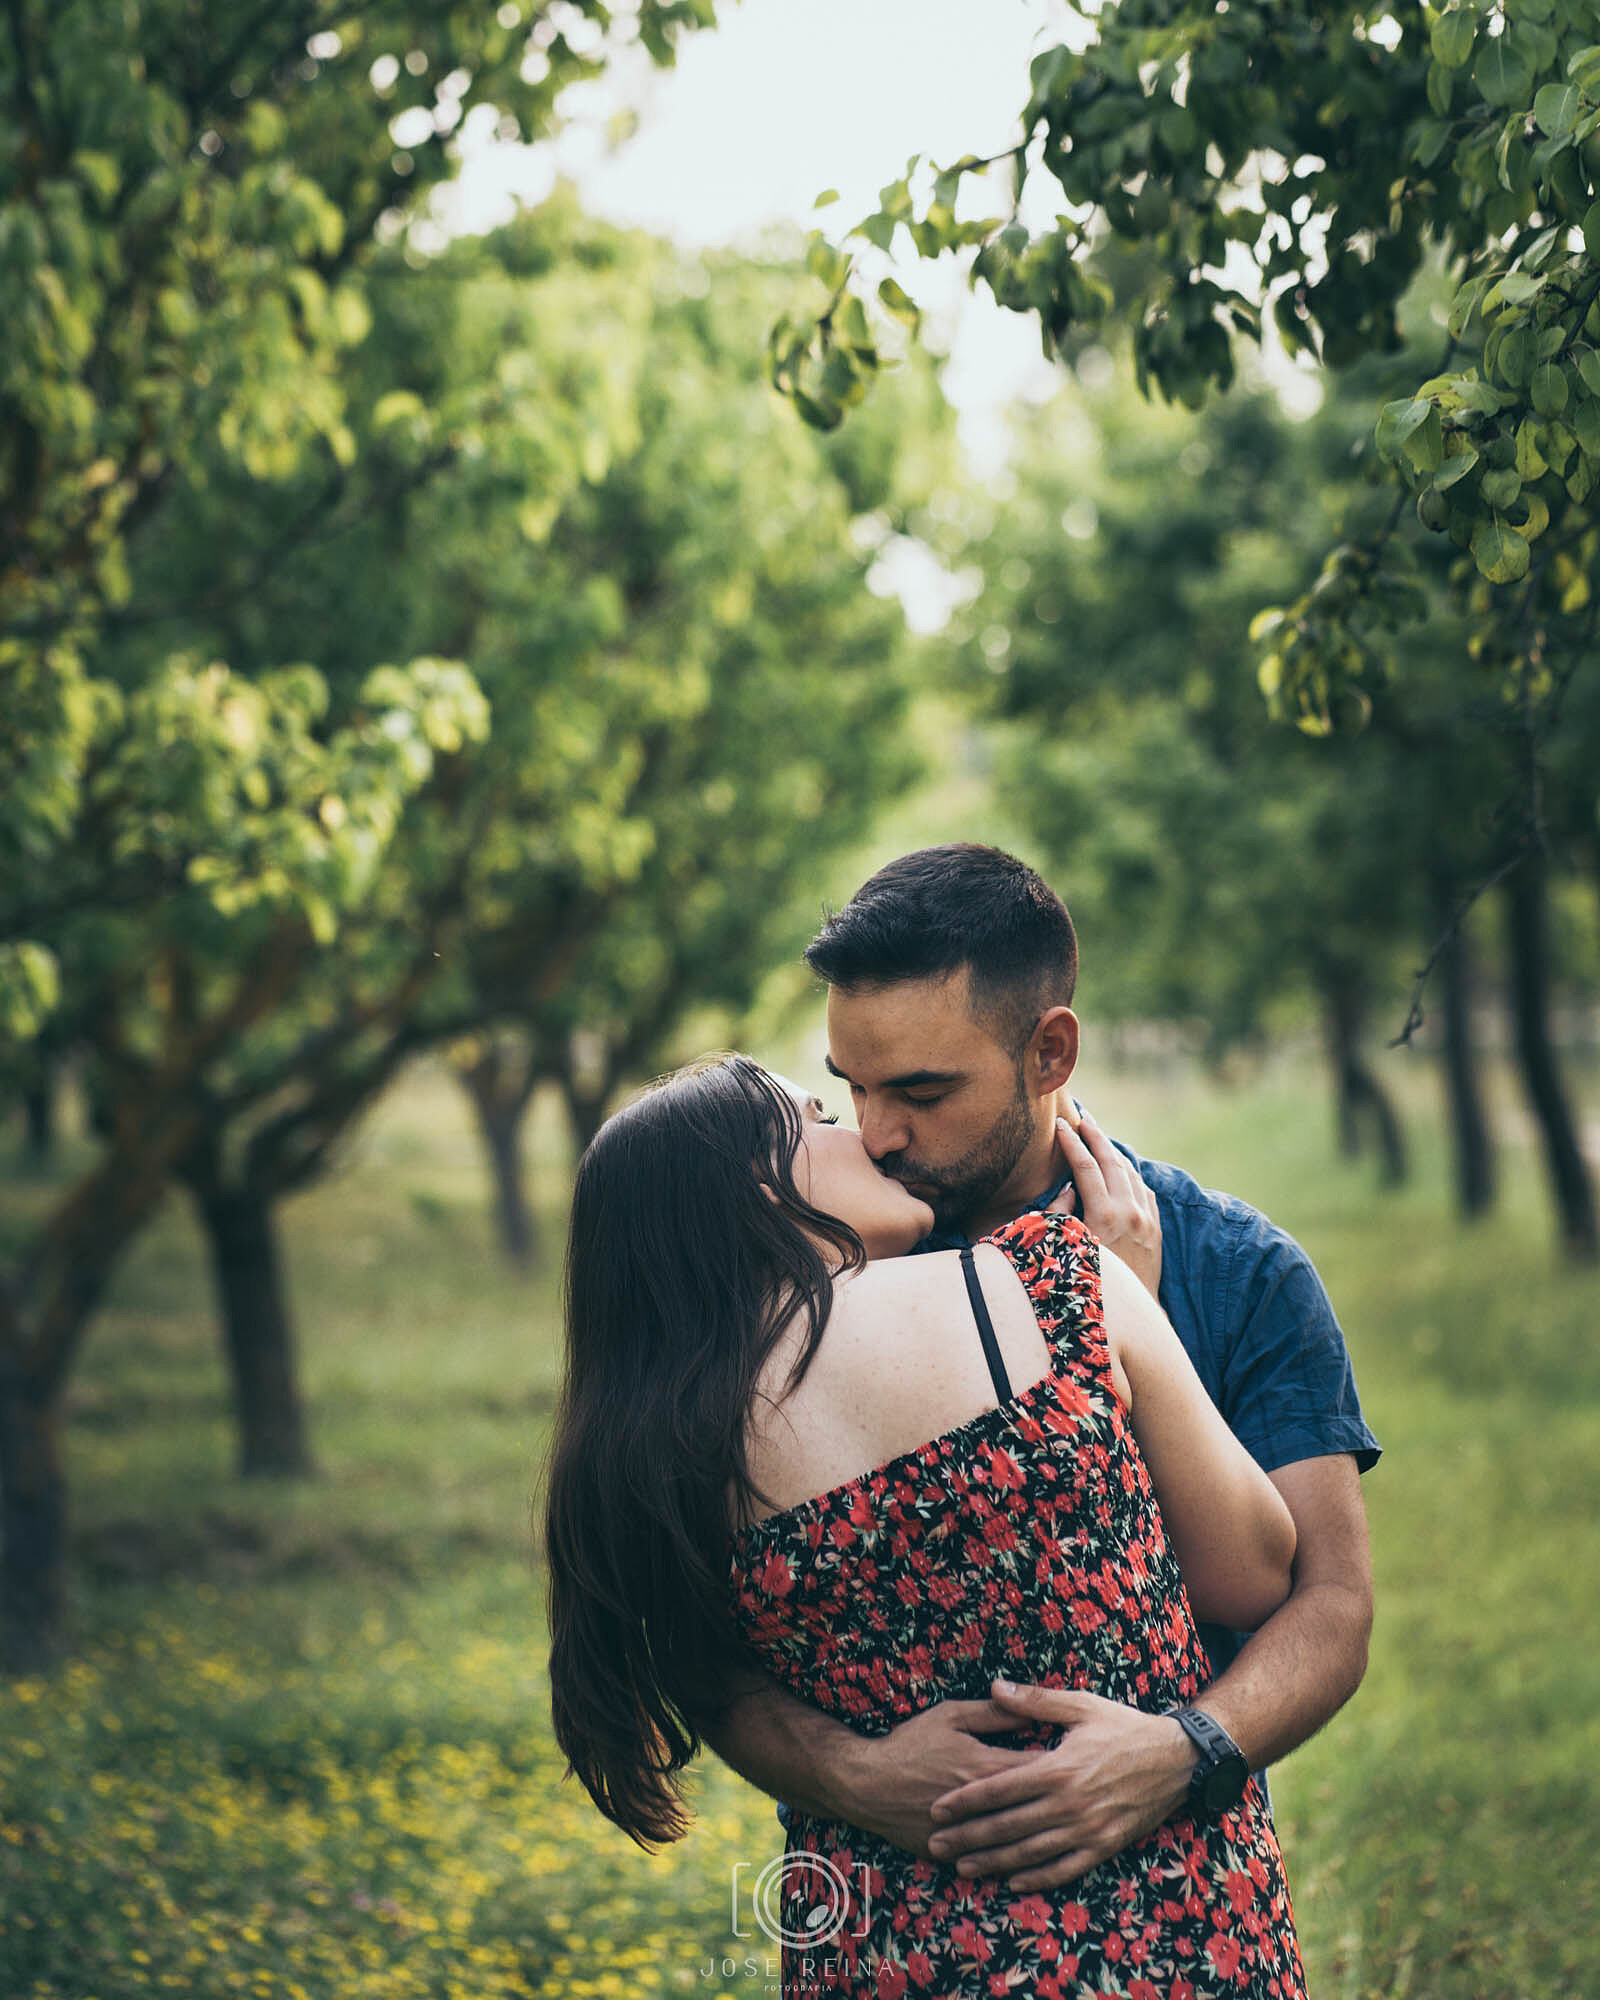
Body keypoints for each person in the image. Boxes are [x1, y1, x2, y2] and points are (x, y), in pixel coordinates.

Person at [546, 1055, 1308, 1996]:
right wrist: (1132, 1316)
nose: (867, 1138)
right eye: (823, 1118)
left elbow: (706, 1678)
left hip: (881, 1950)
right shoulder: (1057, 1283)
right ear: (761, 1185)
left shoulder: (663, 1452)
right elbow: (1254, 1574)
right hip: (1164, 1927)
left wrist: (851, 1773)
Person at [701, 843, 1379, 1891]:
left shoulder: (1237, 1268)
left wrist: (1183, 1750)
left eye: (922, 1090)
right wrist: (853, 1773)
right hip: (884, 1896)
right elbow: (697, 1632)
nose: (877, 1134)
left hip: (1168, 1885)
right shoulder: (819, 1261)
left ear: (1050, 1052)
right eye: (852, 1088)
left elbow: (1328, 1603)